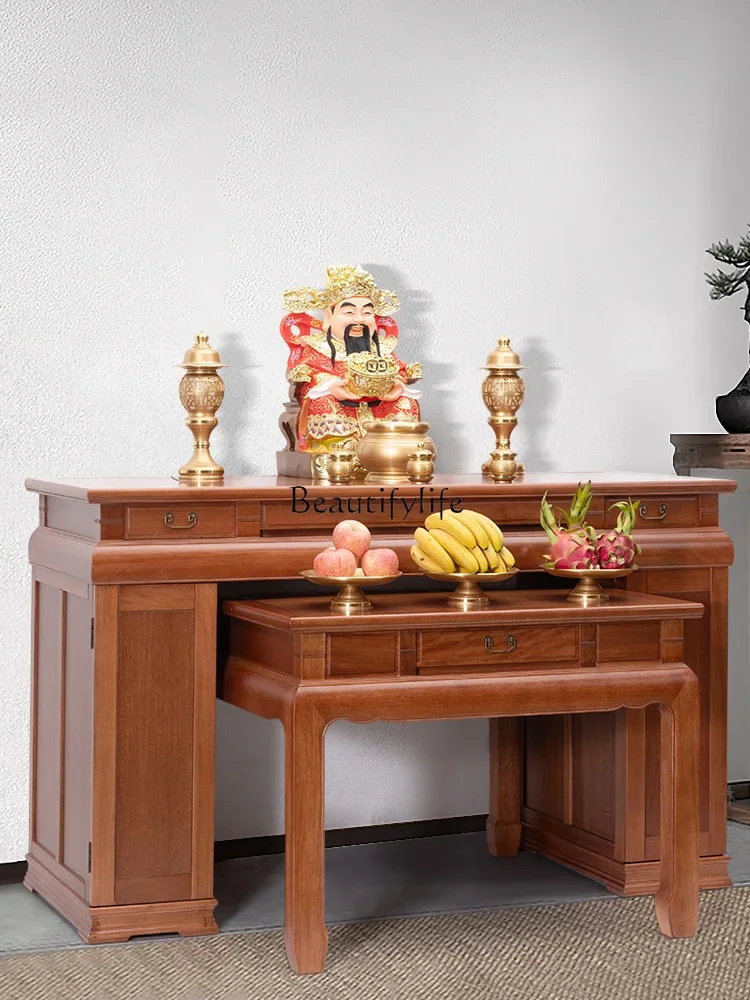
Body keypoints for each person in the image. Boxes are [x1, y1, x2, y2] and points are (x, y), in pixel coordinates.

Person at [281, 266, 422, 452]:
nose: (359, 320)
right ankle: (338, 447)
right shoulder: (318, 347)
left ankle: (397, 448)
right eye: (349, 313)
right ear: (329, 317)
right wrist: (332, 386)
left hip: (380, 404)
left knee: (407, 402)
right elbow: (310, 375)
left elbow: (398, 370)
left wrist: (397, 385)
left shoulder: (381, 348)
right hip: (341, 405)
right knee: (323, 402)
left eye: (367, 313)